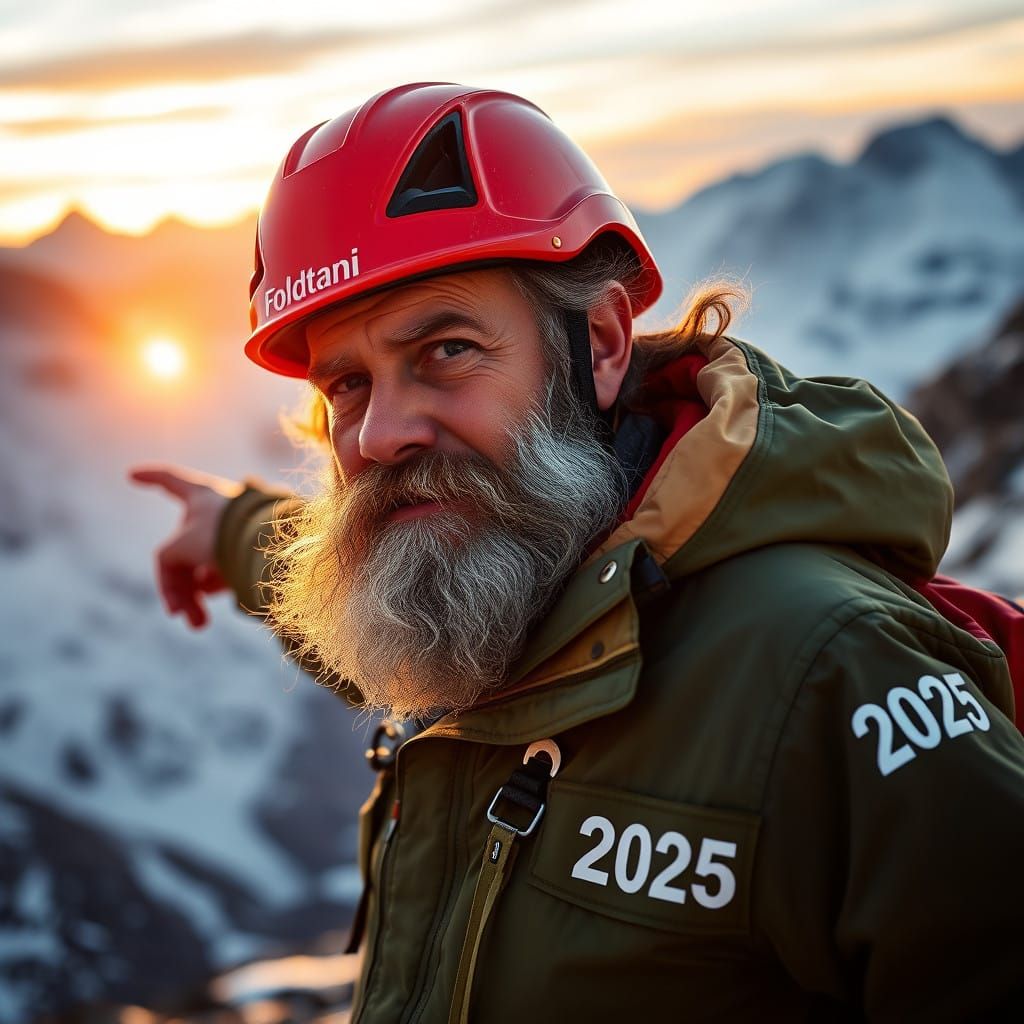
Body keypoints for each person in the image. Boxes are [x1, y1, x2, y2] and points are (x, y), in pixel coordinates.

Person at [131, 83, 1024, 1022]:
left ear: (598, 344)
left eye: (445, 350)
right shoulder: (502, 575)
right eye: (347, 384)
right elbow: (390, 593)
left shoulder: (827, 667)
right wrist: (233, 533)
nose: (381, 434)